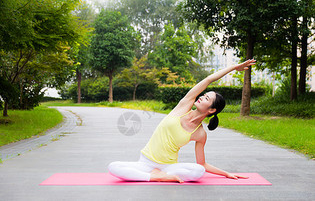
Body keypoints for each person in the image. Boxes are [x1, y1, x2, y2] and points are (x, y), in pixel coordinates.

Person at [108, 59, 256, 183]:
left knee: (198, 171)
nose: (202, 97)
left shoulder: (200, 134)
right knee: (113, 167)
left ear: (211, 110)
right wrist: (234, 68)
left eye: (207, 98)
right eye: (204, 95)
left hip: (168, 167)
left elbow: (202, 163)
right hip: (145, 162)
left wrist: (226, 174)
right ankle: (154, 177)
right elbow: (208, 80)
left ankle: (160, 175)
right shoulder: (183, 107)